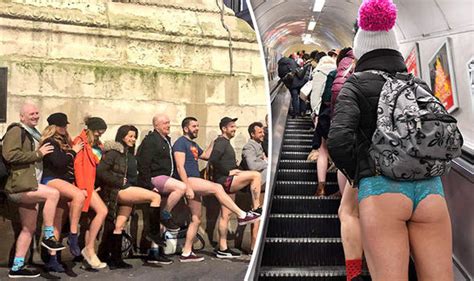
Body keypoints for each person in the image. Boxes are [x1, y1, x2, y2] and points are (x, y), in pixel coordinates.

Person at [328, 0, 454, 280]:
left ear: (361, 50)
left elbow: (338, 140)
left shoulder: (356, 84)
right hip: (431, 191)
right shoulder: (416, 83)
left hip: (382, 191)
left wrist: (362, 174)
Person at [173, 117, 260, 262]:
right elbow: (179, 166)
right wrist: (187, 186)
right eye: (194, 126)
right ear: (185, 128)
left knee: (196, 219)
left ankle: (187, 252)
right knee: (217, 187)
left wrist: (214, 141)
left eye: (198, 125)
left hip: (195, 181)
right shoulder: (180, 143)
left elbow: (207, 156)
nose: (197, 128)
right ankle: (242, 214)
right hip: (189, 180)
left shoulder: (193, 144)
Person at [2, 103, 64, 278]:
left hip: (29, 184)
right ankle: (49, 236)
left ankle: (17, 267)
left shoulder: (33, 134)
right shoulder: (16, 130)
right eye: (31, 113)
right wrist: (38, 154)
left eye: (37, 113)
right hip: (19, 186)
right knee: (53, 194)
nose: (35, 116)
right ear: (22, 116)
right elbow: (9, 155)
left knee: (28, 228)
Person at [97, 125, 171, 268]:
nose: (133, 139)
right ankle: (154, 233)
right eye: (130, 136)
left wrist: (149, 186)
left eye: (134, 136)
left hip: (128, 189)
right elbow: (101, 171)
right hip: (119, 190)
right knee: (155, 198)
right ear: (122, 136)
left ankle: (115, 259)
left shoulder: (129, 154)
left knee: (119, 225)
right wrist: (118, 181)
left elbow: (135, 176)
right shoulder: (115, 152)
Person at [208, 117, 262, 259]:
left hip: (225, 181)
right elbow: (212, 160)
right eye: (232, 127)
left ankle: (223, 248)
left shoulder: (224, 143)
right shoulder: (221, 142)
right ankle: (256, 208)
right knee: (255, 175)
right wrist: (228, 172)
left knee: (226, 215)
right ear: (224, 129)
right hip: (225, 180)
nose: (234, 129)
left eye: (235, 126)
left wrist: (234, 168)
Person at [40, 113, 86, 272]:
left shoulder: (64, 141)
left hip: (62, 182)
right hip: (51, 179)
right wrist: (73, 152)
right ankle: (73, 236)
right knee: (79, 195)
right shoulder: (49, 141)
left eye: (65, 126)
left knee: (57, 223)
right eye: (62, 126)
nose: (65, 128)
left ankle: (53, 259)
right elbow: (58, 163)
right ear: (55, 127)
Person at [136, 113, 183, 262]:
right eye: (164, 123)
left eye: (168, 123)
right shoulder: (151, 140)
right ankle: (165, 213)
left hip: (165, 180)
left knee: (157, 222)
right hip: (155, 178)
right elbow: (143, 164)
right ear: (156, 125)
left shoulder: (166, 140)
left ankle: (154, 252)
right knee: (181, 187)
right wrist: (149, 185)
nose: (168, 125)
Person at [73, 116, 109, 269]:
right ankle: (89, 250)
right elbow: (77, 166)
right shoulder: (80, 141)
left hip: (94, 185)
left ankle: (89, 253)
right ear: (91, 130)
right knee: (102, 211)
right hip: (85, 185)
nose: (99, 135)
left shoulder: (98, 144)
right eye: (97, 132)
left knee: (92, 218)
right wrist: (82, 188)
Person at [240, 121, 268, 254]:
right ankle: (253, 247)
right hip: (257, 186)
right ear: (252, 134)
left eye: (263, 132)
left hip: (262, 185)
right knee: (256, 215)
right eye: (260, 132)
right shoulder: (248, 147)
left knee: (258, 216)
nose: (263, 134)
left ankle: (256, 247)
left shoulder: (259, 145)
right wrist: (266, 162)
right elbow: (252, 166)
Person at [307, 54, 337, 162]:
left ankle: (321, 168)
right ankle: (333, 161)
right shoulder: (337, 72)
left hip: (321, 109)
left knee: (321, 143)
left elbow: (315, 94)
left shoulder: (318, 73)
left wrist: (315, 111)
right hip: (334, 110)